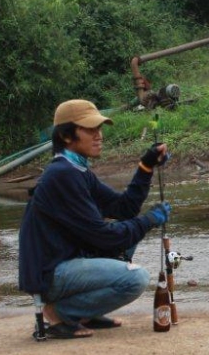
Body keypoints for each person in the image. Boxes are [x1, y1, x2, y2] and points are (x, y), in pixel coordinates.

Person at [18, 99, 171, 339]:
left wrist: (146, 166)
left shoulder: (77, 171)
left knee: (128, 234)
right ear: (67, 136)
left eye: (98, 129)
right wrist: (149, 220)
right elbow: (104, 238)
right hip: (49, 273)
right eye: (90, 130)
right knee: (136, 279)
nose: (98, 135)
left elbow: (124, 208)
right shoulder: (62, 175)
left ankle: (85, 313)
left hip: (65, 262)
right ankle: (61, 312)